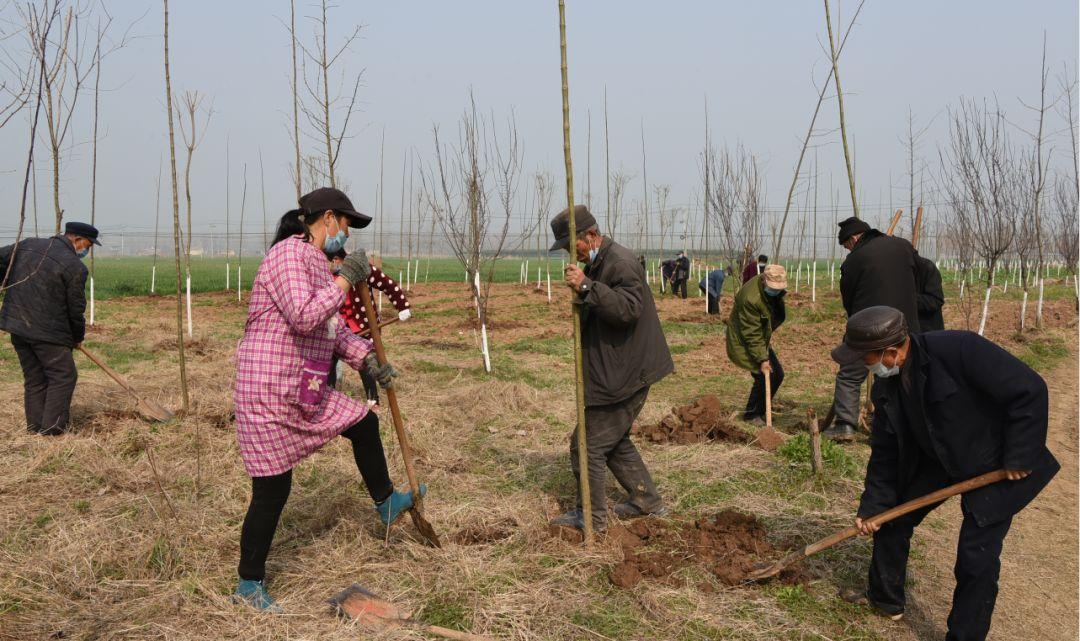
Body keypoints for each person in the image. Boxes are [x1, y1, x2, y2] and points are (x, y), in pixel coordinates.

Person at [232, 187, 424, 612]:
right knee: (272, 489)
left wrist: (367, 360)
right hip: (267, 390)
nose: (348, 237)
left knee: (363, 422)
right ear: (330, 219)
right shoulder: (287, 255)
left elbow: (330, 329)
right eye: (347, 226)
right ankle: (248, 585)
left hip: (303, 388)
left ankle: (387, 501)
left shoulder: (316, 263)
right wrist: (344, 279)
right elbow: (304, 315)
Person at [831, 306, 1058, 641]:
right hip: (938, 458)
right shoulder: (885, 386)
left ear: (891, 352)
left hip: (994, 463)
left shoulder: (961, 350)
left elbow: (1030, 390)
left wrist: (1020, 455)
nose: (864, 365)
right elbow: (885, 455)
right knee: (892, 519)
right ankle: (885, 599)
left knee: (975, 557)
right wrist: (873, 507)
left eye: (865, 357)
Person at [549, 205, 673, 532]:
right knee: (612, 440)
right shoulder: (600, 261)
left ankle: (592, 516)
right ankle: (646, 500)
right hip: (616, 369)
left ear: (591, 236)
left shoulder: (620, 262)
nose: (569, 255)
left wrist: (587, 287)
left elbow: (629, 309)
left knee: (587, 444)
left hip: (627, 374)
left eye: (570, 246)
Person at [0, 222, 99, 435]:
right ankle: (52, 431)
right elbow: (76, 309)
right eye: (88, 245)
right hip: (48, 333)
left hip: (17, 325)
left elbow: (1, 260)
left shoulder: (28, 245)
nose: (86, 251)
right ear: (77, 239)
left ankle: (35, 428)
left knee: (35, 377)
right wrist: (76, 336)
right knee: (64, 375)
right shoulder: (74, 267)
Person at [827, 217, 920, 442]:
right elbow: (920, 277)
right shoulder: (904, 247)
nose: (847, 250)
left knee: (850, 374)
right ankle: (892, 428)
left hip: (868, 330)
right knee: (897, 377)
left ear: (854, 238)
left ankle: (845, 426)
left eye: (846, 245)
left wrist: (855, 330)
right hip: (904, 329)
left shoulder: (854, 261)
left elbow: (848, 300)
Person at [326, 247, 412, 404]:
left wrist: (402, 306)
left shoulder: (360, 267)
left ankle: (373, 400)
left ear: (337, 259)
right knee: (328, 364)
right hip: (336, 328)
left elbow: (387, 284)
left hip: (363, 326)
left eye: (331, 261)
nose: (329, 265)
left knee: (368, 364)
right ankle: (327, 399)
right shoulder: (325, 276)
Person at [726, 265, 787, 423]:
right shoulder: (751, 299)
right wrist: (762, 359)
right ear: (764, 281)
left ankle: (760, 409)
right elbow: (751, 333)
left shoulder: (767, 290)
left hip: (758, 337)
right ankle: (752, 414)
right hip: (745, 339)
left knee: (777, 374)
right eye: (773, 288)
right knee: (764, 374)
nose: (776, 291)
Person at [914, 253, 945, 331]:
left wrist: (908, 299)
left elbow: (936, 300)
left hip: (927, 331)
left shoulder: (926, 267)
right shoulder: (891, 271)